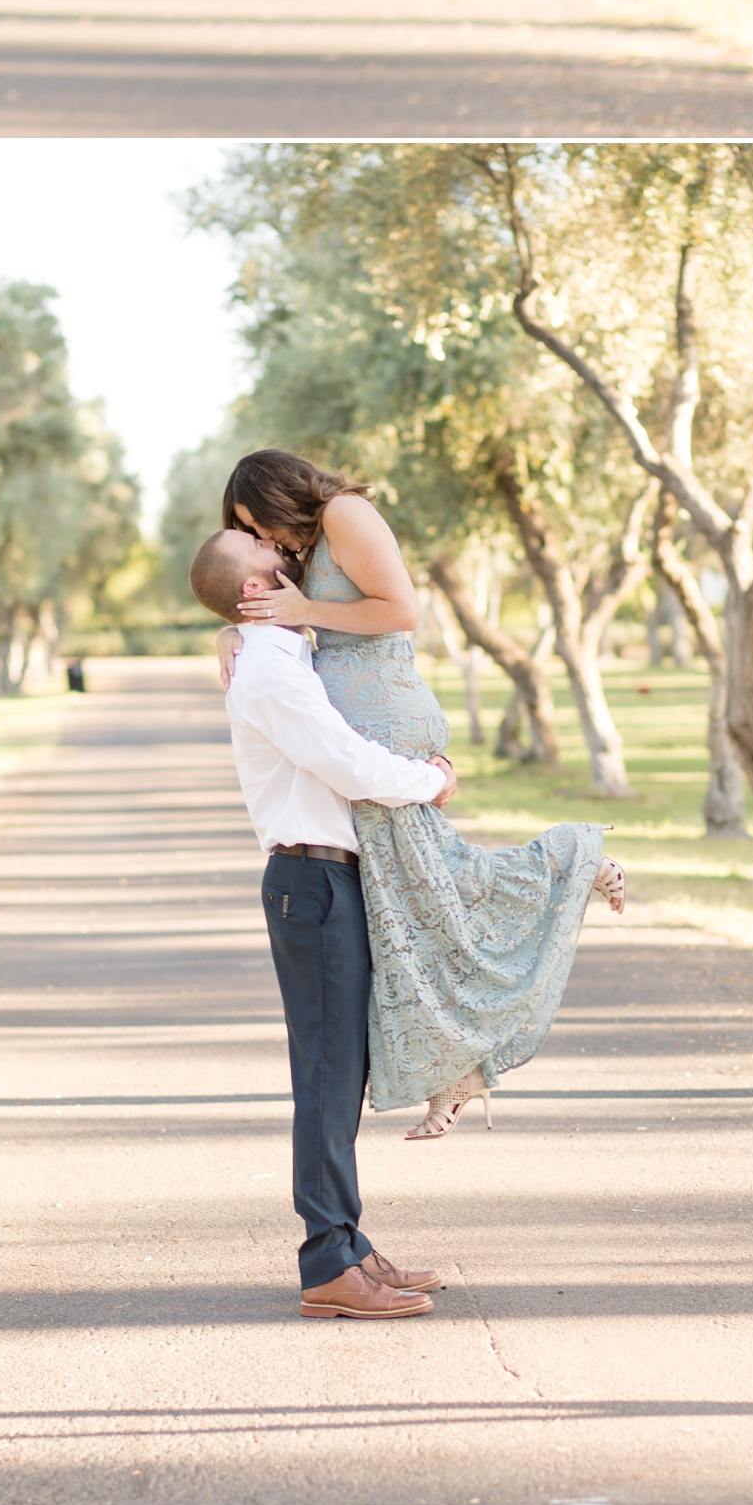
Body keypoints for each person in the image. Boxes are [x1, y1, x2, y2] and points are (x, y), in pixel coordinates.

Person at [218, 447, 624, 1141]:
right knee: (410, 898)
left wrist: (304, 606)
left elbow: (401, 610)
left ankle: (570, 859)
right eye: (251, 535)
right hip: (360, 718)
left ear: (282, 495)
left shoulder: (345, 512)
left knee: (430, 888)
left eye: (259, 526)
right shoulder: (312, 546)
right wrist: (234, 630)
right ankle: (452, 1067)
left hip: (380, 714)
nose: (264, 542)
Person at [188, 527, 458, 1323]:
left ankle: (349, 1246)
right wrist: (429, 782)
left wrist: (231, 632)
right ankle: (327, 1263)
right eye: (265, 550)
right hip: (310, 881)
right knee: (326, 1079)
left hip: (325, 878)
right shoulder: (269, 670)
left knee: (340, 1076)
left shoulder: (276, 651)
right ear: (251, 589)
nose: (283, 548)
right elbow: (342, 761)